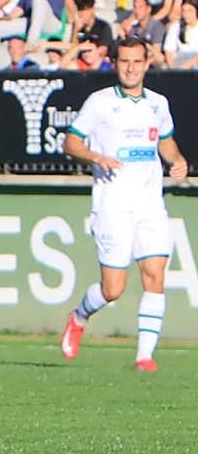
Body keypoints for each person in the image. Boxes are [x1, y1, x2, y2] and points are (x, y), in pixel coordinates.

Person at [60, 39, 188, 372]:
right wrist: (95, 155)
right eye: (124, 61)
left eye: (137, 61)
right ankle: (79, 316)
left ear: (147, 64)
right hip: (112, 204)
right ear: (115, 63)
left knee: (155, 275)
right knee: (113, 289)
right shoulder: (99, 103)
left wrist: (177, 160)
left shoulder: (158, 104)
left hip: (149, 204)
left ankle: (144, 357)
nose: (130, 67)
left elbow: (166, 142)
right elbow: (70, 142)